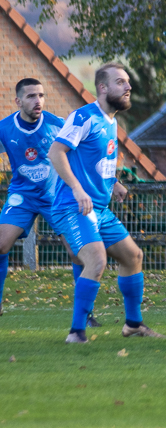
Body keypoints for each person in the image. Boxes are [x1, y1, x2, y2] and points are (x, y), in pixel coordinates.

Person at [49, 63, 165, 343]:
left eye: (127, 82)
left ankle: (133, 325)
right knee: (97, 260)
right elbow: (56, 152)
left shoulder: (111, 122)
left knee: (133, 257)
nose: (128, 87)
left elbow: (92, 162)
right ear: (102, 88)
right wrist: (77, 189)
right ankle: (76, 333)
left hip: (99, 210)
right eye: (120, 82)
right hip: (72, 206)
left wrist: (113, 183)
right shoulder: (84, 116)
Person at [0, 79, 103, 325]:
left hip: (56, 197)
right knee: (0, 245)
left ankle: (85, 313)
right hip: (22, 196)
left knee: (77, 252)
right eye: (31, 96)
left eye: (41, 95)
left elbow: (88, 153)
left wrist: (116, 180)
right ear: (18, 101)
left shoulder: (58, 125)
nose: (38, 101)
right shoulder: (5, 128)